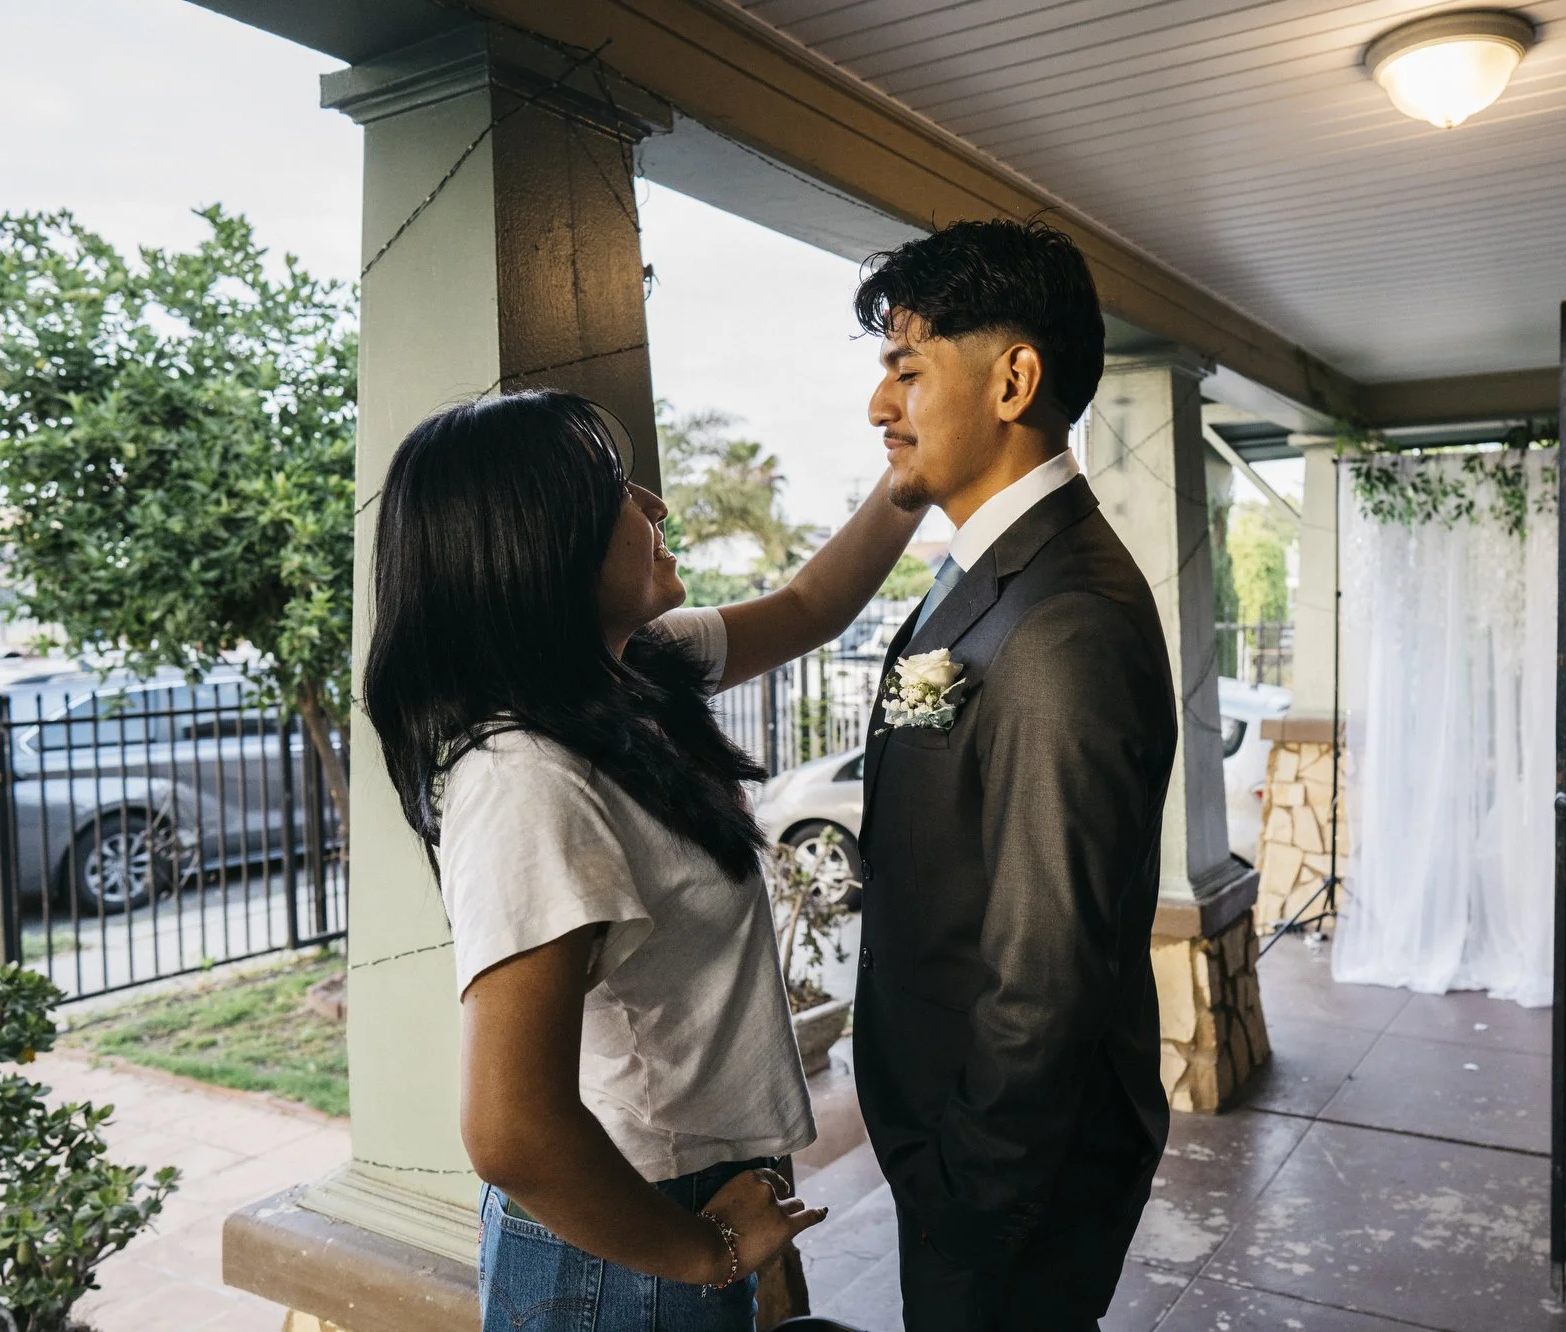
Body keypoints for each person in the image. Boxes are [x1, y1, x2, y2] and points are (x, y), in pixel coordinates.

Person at [362, 390, 923, 1331]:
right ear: (538, 542)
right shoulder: (525, 778)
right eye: (617, 488)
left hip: (674, 1200)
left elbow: (810, 605)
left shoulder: (633, 674)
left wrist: (911, 479)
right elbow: (510, 1129)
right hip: (622, 1246)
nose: (653, 504)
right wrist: (707, 1252)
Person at [850, 219, 1177, 1330]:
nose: (878, 406)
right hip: (956, 1144)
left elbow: (1045, 967)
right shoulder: (986, 574)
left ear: (1012, 380)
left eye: (906, 369)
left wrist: (964, 1197)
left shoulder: (1063, 621)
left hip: (1008, 1181)